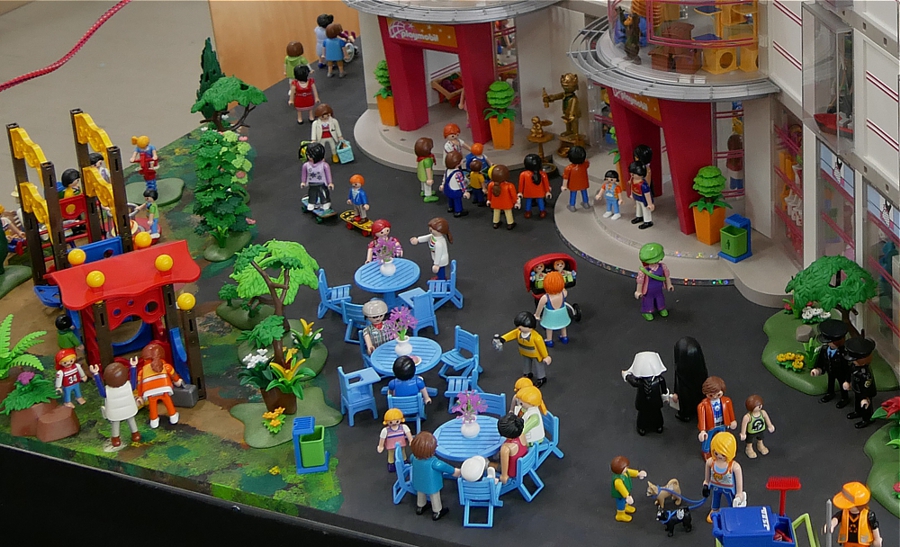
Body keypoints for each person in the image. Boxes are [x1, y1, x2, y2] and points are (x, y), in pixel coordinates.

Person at [408, 431, 460, 520]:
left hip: (418, 481)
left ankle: (420, 506)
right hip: (432, 484)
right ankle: (437, 511)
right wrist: (455, 471)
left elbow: (411, 461)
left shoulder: (413, 457)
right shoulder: (434, 463)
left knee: (420, 493)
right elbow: (447, 468)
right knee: (434, 496)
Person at [131, 342, 184, 428]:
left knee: (152, 405)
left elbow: (139, 385)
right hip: (164, 389)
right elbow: (173, 374)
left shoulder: (142, 371)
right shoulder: (165, 366)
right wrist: (178, 381)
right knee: (168, 401)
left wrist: (140, 395)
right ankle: (173, 416)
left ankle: (154, 420)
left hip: (150, 392)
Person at [90, 361, 141, 448]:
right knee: (130, 420)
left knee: (116, 423)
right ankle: (135, 433)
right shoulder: (129, 386)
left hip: (116, 412)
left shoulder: (107, 391)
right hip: (128, 409)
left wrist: (96, 374)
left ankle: (116, 438)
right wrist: (133, 367)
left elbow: (101, 390)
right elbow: (134, 382)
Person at [494, 311, 552, 388]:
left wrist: (545, 356)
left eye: (522, 326)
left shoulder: (536, 337)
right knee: (526, 364)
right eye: (518, 326)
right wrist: (503, 339)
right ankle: (527, 373)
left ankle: (541, 378)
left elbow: (541, 347)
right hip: (525, 352)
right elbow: (511, 334)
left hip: (536, 354)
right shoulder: (518, 332)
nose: (519, 328)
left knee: (539, 366)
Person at [622, 351, 670, 436]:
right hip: (645, 402)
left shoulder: (658, 380)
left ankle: (657, 426)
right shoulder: (642, 381)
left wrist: (665, 397)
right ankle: (643, 427)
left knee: (656, 414)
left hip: (653, 401)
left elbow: (664, 390)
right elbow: (633, 382)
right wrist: (626, 375)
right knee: (643, 416)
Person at [702, 432, 745, 523]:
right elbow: (707, 473)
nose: (719, 456)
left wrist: (739, 493)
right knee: (715, 499)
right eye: (716, 453)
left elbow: (739, 481)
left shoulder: (734, 466)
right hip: (715, 486)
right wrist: (706, 483)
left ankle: (732, 513)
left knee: (731, 502)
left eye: (723, 454)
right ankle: (714, 510)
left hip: (728, 489)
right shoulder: (711, 462)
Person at [826, 482, 883, 547]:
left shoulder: (868, 515)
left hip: (862, 544)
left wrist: (877, 540)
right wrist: (831, 524)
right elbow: (836, 518)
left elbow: (874, 527)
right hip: (848, 543)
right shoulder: (844, 513)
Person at [812, 318, 851, 407]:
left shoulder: (843, 353)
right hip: (830, 370)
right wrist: (818, 368)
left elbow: (848, 368)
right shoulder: (825, 349)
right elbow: (821, 360)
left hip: (841, 373)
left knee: (842, 385)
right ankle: (830, 393)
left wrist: (848, 380)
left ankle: (844, 398)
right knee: (830, 381)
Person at [697, 376, 737, 460]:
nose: (715, 396)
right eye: (711, 395)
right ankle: (706, 451)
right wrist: (702, 430)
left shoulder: (726, 401)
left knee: (722, 438)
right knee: (707, 439)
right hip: (711, 425)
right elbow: (702, 418)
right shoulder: (703, 405)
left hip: (723, 423)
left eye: (718, 394)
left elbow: (730, 411)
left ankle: (721, 450)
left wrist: (732, 420)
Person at [672, 336, 709, 422]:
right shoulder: (701, 370)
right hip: (699, 392)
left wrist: (676, 392)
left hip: (686, 394)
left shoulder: (681, 371)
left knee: (686, 401)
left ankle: (685, 415)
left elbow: (678, 382)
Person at [843, 337, 878, 429]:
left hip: (865, 393)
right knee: (857, 401)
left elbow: (867, 387)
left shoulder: (865, 374)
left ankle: (867, 419)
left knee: (866, 406)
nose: (853, 361)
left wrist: (865, 397)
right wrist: (847, 381)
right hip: (857, 389)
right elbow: (849, 373)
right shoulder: (854, 366)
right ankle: (857, 412)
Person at [635, 242, 674, 321]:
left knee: (660, 299)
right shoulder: (644, 270)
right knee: (648, 301)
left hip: (658, 289)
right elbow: (640, 282)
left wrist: (669, 285)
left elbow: (666, 276)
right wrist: (638, 291)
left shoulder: (662, 266)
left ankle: (661, 308)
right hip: (648, 290)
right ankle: (647, 311)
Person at [534, 271, 570, 346]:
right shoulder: (563, 293)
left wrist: (537, 315)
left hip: (550, 315)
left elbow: (540, 307)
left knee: (549, 327)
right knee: (563, 325)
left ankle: (549, 340)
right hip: (562, 313)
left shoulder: (545, 297)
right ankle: (564, 337)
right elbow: (564, 290)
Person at [610, 455, 648, 522]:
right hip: (620, 495)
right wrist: (627, 496)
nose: (627, 468)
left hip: (625, 493)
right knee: (621, 503)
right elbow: (621, 488)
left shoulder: (624, 472)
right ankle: (620, 514)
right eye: (625, 467)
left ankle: (626, 507)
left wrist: (638, 473)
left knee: (624, 502)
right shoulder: (618, 480)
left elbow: (630, 472)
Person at [376, 408, 413, 472]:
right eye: (391, 422)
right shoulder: (385, 430)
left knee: (402, 453)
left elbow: (408, 434)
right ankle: (391, 464)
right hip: (391, 446)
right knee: (391, 455)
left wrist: (411, 441)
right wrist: (381, 446)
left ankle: (404, 461)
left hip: (401, 444)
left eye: (397, 421)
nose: (394, 423)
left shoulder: (403, 427)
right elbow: (382, 438)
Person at [300, 142, 334, 212]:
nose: (309, 157)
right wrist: (303, 182)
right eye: (308, 155)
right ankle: (312, 202)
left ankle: (325, 202)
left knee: (323, 192)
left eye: (310, 155)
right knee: (312, 193)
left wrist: (330, 183)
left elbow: (328, 174)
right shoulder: (306, 165)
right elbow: (304, 174)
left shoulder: (324, 165)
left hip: (322, 182)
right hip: (311, 182)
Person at [518, 153, 552, 219]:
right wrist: (547, 191)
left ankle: (528, 212)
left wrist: (520, 192)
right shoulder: (543, 174)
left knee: (529, 201)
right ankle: (542, 211)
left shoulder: (523, 174)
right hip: (539, 192)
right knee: (540, 201)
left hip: (529, 193)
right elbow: (546, 184)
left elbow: (521, 184)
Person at [496, 413, 527, 484]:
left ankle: (486, 463)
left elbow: (504, 471)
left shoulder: (506, 448)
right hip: (523, 464)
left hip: (512, 471)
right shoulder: (522, 434)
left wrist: (504, 476)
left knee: (488, 463)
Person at [486, 164, 518, 230]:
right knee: (508, 213)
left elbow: (489, 194)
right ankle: (510, 223)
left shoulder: (491, 185)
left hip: (495, 203)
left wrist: (489, 200)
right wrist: (516, 202)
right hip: (507, 203)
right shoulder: (509, 186)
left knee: (496, 212)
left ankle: (496, 223)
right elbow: (513, 195)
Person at [439, 151, 469, 218]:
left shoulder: (447, 171)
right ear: (457, 164)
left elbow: (444, 178)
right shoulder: (458, 173)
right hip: (456, 190)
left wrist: (442, 185)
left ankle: (451, 207)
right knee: (457, 200)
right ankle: (458, 211)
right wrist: (465, 191)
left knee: (450, 198)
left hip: (448, 189)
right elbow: (461, 183)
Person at [562, 145, 591, 211]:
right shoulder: (585, 164)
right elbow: (588, 162)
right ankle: (586, 203)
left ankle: (572, 206)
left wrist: (564, 186)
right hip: (583, 183)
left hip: (573, 185)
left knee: (573, 194)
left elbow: (565, 178)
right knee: (584, 193)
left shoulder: (568, 168)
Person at [628, 161, 654, 229]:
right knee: (638, 208)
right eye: (631, 173)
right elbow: (632, 188)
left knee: (645, 210)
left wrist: (650, 204)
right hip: (637, 198)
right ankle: (639, 216)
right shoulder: (633, 180)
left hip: (644, 200)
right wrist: (632, 195)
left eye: (634, 173)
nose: (632, 175)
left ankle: (648, 221)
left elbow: (647, 194)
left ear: (641, 174)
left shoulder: (643, 185)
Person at [414, 137, 438, 203]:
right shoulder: (427, 160)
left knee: (423, 184)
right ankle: (428, 196)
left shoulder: (420, 158)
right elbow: (428, 170)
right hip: (426, 176)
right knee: (427, 186)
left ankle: (423, 191)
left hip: (421, 174)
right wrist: (429, 179)